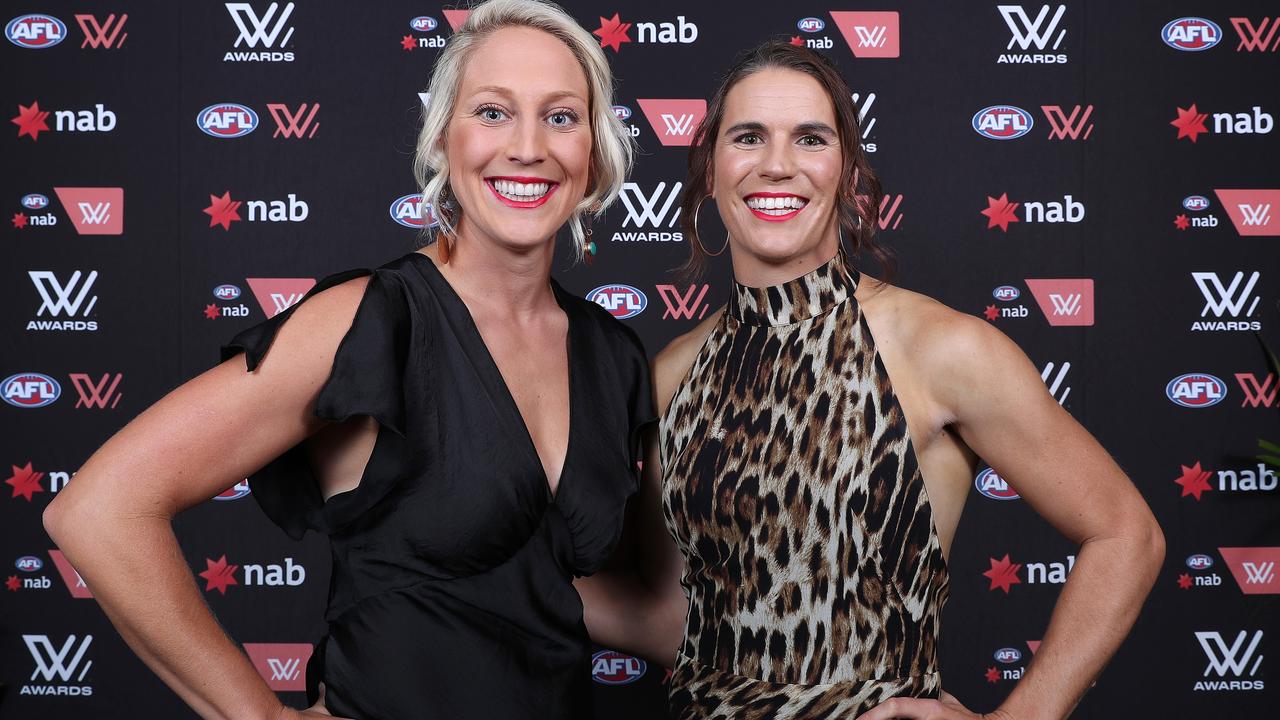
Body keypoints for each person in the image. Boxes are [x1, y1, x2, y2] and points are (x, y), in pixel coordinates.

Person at [42, 1, 651, 718]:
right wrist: (259, 715)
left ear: (596, 150)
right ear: (443, 138)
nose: (527, 147)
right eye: (492, 112)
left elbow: (577, 595)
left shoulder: (613, 354)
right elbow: (99, 510)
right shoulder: (374, 321)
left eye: (561, 116)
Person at [579, 41, 1164, 720]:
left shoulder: (943, 350)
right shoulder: (670, 372)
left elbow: (1126, 534)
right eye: (748, 137)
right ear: (710, 167)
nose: (777, 165)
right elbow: (678, 620)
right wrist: (499, 580)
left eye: (810, 138)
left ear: (846, 169)